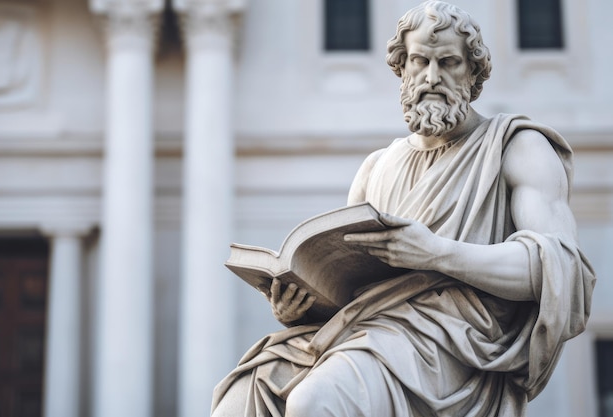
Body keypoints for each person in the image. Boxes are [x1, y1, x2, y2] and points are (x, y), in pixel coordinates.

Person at [211, 2, 596, 416]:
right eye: (420, 61)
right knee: (238, 401)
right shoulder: (377, 167)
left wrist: (436, 253)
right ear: (402, 67)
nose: (432, 77)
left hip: (450, 339)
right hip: (363, 329)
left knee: (316, 401)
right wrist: (298, 308)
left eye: (448, 62)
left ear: (474, 72)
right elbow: (349, 288)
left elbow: (560, 269)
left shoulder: (516, 147)